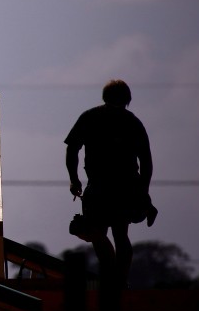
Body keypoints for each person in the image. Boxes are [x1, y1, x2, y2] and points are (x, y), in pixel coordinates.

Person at [65, 79, 155, 289]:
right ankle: (119, 279)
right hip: (125, 188)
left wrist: (74, 178)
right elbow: (147, 162)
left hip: (100, 188)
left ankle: (113, 278)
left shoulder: (90, 117)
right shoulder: (132, 121)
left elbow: (72, 149)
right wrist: (143, 191)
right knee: (120, 234)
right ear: (127, 99)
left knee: (98, 234)